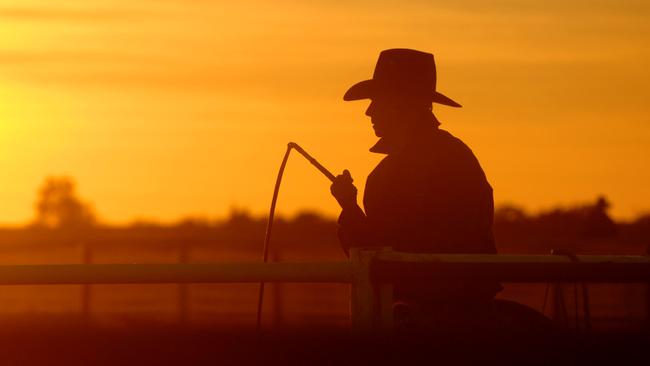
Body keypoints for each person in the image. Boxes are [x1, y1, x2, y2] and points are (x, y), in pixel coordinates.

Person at [330, 48, 502, 329]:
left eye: (379, 100)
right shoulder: (456, 155)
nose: (369, 110)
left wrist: (349, 208)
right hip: (468, 310)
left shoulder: (393, 174)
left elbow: (380, 254)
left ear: (403, 103)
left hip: (431, 318)